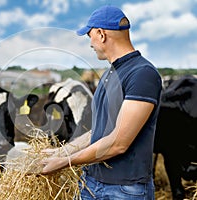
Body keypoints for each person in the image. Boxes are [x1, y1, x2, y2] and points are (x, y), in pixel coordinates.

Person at [39, 5, 162, 200]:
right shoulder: (109, 74)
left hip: (125, 191)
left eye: (90, 36)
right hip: (91, 184)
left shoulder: (142, 74)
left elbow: (119, 143)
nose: (90, 44)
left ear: (101, 34)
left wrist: (64, 162)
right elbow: (98, 131)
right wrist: (60, 151)